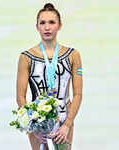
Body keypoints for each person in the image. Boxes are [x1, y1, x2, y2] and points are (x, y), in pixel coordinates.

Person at [16, 3, 83, 150]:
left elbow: (78, 94)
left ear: (59, 25)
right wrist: (32, 127)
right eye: (43, 23)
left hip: (65, 118)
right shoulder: (26, 57)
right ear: (37, 26)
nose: (47, 27)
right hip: (37, 121)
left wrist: (67, 124)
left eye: (52, 22)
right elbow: (20, 95)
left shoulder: (73, 55)